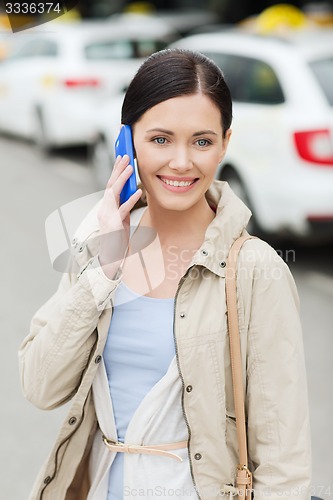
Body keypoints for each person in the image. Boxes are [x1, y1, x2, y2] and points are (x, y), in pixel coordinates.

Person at [19, 48, 311, 500]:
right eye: (159, 139)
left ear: (224, 143)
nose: (181, 162)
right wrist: (104, 266)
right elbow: (40, 386)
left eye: (201, 141)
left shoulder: (255, 270)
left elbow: (283, 460)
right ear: (126, 140)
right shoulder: (99, 245)